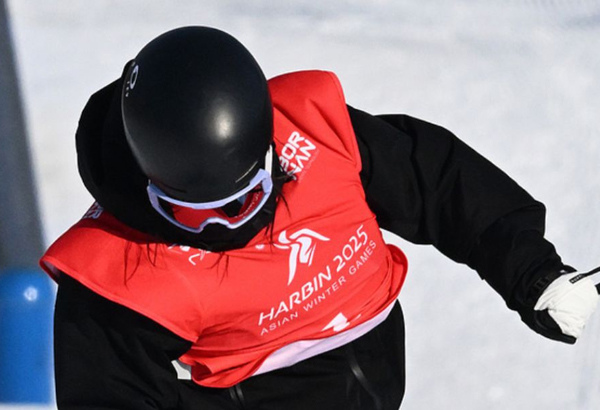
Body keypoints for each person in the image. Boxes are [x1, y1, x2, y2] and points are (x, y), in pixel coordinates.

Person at [40, 26, 599, 410]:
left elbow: (440, 182)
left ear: (270, 155)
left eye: (244, 200)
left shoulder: (320, 137)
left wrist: (533, 274)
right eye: (190, 213)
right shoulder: (122, 279)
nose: (223, 228)